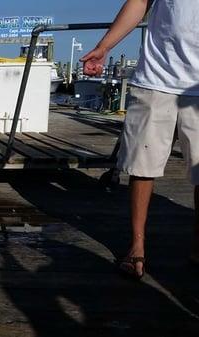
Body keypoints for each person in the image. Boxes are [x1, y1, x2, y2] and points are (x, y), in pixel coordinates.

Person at [81, 0, 199, 279]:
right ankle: (137, 245)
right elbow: (138, 2)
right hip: (156, 79)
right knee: (141, 167)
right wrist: (105, 46)